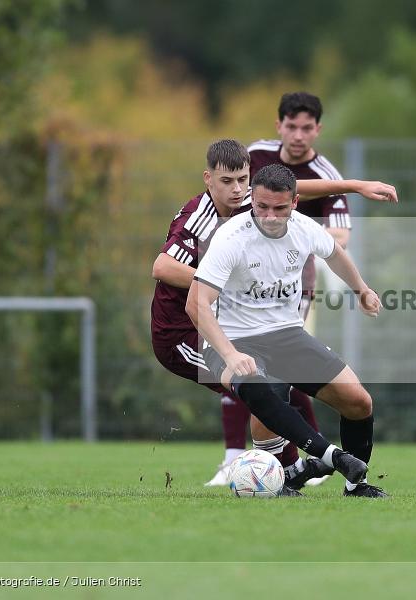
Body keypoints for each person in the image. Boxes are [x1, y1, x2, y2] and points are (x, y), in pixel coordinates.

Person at [151, 139, 395, 492]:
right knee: (263, 389)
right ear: (208, 179)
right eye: (227, 182)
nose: (238, 191)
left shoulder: (265, 204)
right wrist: (224, 283)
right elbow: (162, 268)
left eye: (242, 181)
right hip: (185, 332)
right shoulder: (205, 221)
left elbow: (297, 192)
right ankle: (322, 459)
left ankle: (299, 474)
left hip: (268, 328)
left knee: (345, 399)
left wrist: (354, 186)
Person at [212, 91, 396, 488]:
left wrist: (362, 289)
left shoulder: (304, 223)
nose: (272, 217)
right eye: (262, 207)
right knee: (265, 407)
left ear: (295, 203)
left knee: (359, 400)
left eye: (281, 209)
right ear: (249, 199)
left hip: (289, 323)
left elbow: (335, 248)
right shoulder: (231, 234)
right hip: (242, 334)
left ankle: (351, 484)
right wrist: (226, 351)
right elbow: (199, 301)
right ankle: (272, 467)